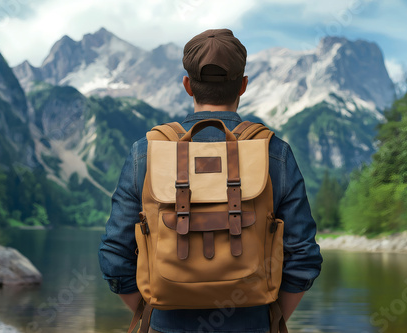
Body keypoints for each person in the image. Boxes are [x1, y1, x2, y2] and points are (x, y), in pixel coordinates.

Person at [98, 28, 322, 333]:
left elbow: (115, 257)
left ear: (188, 85)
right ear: (243, 85)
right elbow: (304, 256)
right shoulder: (274, 152)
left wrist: (151, 315)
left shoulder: (146, 152)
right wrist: (271, 319)